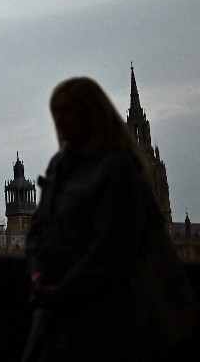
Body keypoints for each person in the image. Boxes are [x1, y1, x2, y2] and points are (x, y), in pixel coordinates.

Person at [22, 76, 196, 361]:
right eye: (56, 113)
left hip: (105, 315)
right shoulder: (59, 165)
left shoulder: (118, 168)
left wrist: (62, 291)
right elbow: (38, 230)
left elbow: (113, 247)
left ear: (92, 113)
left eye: (68, 111)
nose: (60, 120)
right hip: (56, 313)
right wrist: (39, 276)